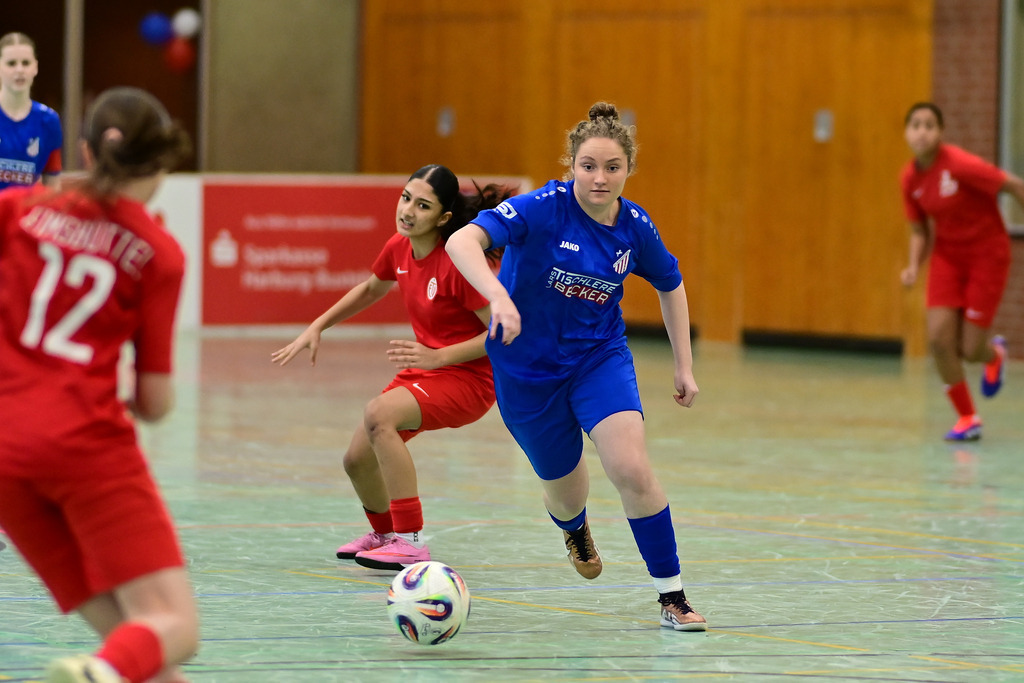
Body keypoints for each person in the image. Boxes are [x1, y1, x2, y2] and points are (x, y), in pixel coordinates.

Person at [445, 102, 707, 632]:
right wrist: (498, 297)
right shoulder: (543, 207)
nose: (599, 177)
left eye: (612, 167)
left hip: (598, 359)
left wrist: (685, 365)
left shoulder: (634, 225)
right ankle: (574, 526)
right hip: (526, 373)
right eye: (588, 165)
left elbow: (670, 284)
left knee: (630, 468)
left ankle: (673, 597)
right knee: (566, 491)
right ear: (571, 165)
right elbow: (460, 240)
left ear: (628, 170)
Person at [0, 87, 196, 683]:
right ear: (159, 164)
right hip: (83, 445)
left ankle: (102, 671)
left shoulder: (16, 212)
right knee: (176, 629)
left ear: (83, 148)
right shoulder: (158, 253)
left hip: (6, 456)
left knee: (134, 644)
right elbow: (155, 403)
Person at [272, 165, 514, 571]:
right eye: (406, 198)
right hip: (426, 371)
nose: (408, 211)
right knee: (356, 459)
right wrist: (318, 326)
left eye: (423, 205)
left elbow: (503, 330)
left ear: (443, 218)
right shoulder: (398, 248)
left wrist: (439, 356)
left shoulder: (456, 263)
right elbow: (371, 288)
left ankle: (411, 541)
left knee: (379, 415)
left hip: (470, 378)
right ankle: (384, 535)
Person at [899, 102, 1024, 441]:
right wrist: (913, 266)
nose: (921, 131)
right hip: (947, 258)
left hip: (987, 254)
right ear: (907, 132)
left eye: (929, 125)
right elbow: (919, 230)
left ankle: (994, 355)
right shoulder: (910, 179)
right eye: (915, 125)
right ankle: (968, 418)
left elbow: (1013, 186)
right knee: (940, 339)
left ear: (940, 133)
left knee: (970, 349)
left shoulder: (960, 165)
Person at [0, 32, 62, 191]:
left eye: (25, 63)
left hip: (27, 213)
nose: (19, 70)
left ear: (35, 67)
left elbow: (53, 185)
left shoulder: (49, 121)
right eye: (11, 63)